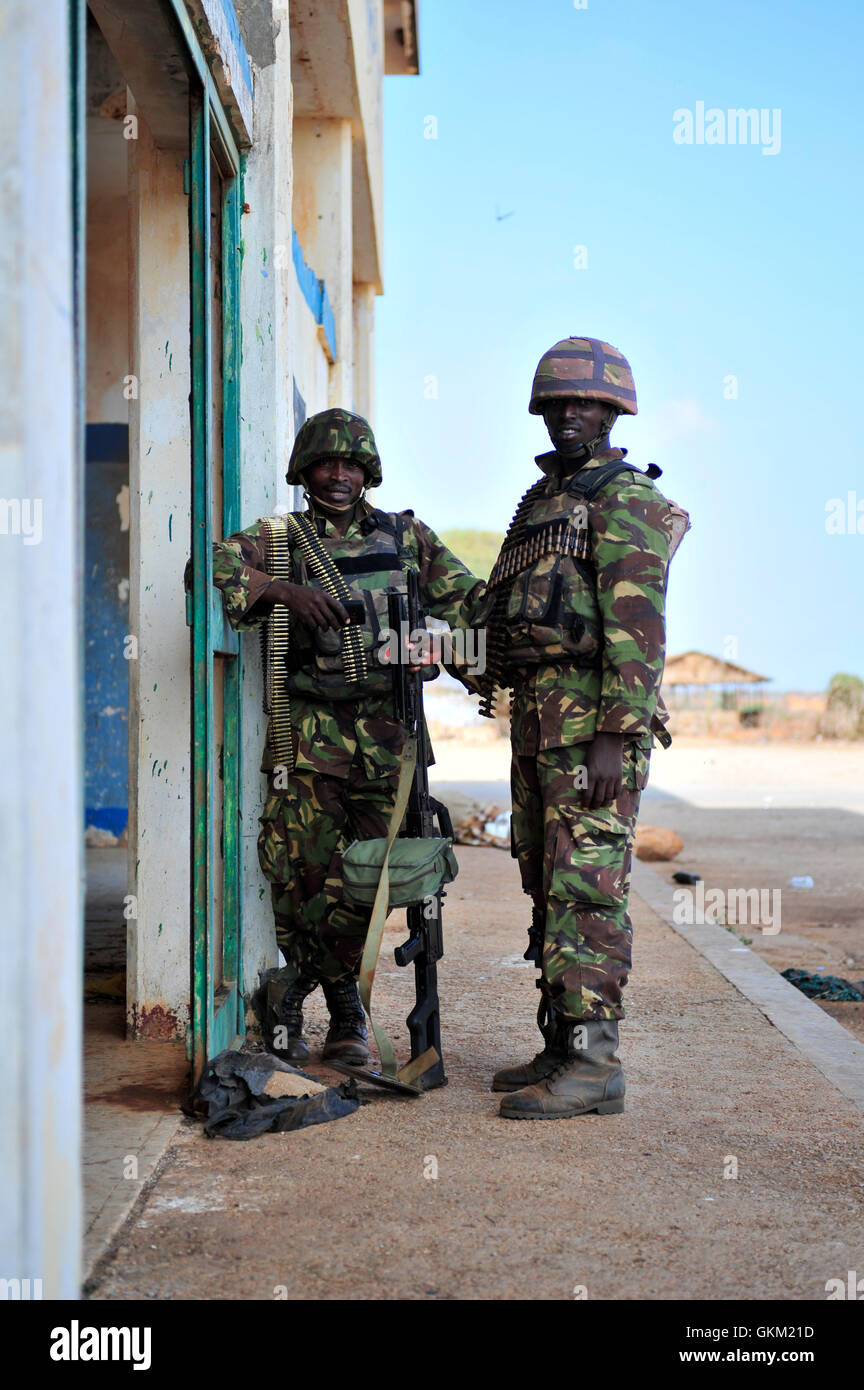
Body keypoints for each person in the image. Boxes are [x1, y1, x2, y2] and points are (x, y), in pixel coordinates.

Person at [211, 408, 483, 1067]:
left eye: (351, 463)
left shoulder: (406, 537)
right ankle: (324, 1012)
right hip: (306, 744)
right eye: (326, 462)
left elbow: (472, 605)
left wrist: (442, 649)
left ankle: (343, 1012)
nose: (338, 474)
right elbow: (209, 567)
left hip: (389, 744)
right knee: (302, 879)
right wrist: (279, 591)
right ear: (304, 470)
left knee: (369, 882)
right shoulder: (280, 539)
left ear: (369, 471)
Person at [476, 337, 681, 1120]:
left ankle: (597, 1065)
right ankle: (563, 1041)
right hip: (539, 726)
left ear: (613, 410)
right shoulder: (544, 502)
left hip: (591, 733)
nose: (569, 414)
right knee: (545, 881)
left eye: (585, 403)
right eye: (558, 402)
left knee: (587, 892)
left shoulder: (624, 498)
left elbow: (639, 631)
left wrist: (612, 735)